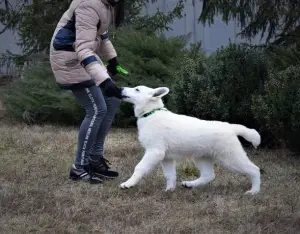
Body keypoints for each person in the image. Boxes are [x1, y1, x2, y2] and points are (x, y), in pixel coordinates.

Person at [49, 0, 127, 184]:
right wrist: (104, 80)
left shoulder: (106, 4)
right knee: (97, 109)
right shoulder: (89, 5)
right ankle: (79, 167)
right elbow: (82, 47)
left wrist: (112, 59)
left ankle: (94, 159)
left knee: (113, 101)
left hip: (82, 57)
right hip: (70, 59)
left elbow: (102, 36)